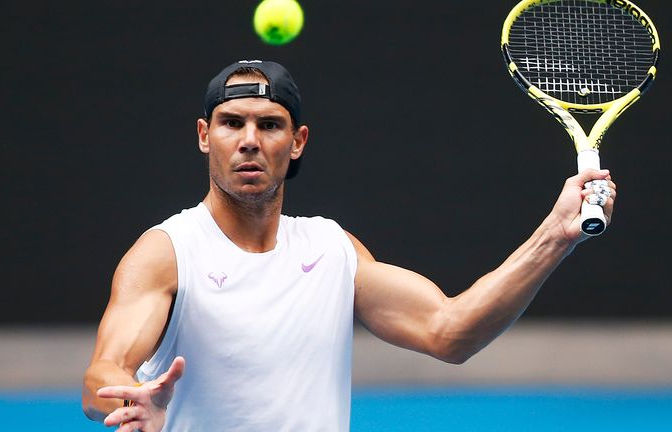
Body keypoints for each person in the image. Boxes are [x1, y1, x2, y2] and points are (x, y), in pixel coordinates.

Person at [82, 59, 616, 431]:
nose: (249, 139)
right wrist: (133, 397)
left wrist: (557, 235)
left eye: (269, 125)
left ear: (297, 143)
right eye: (231, 123)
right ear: (204, 135)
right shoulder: (167, 251)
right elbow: (101, 374)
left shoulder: (333, 250)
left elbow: (449, 332)